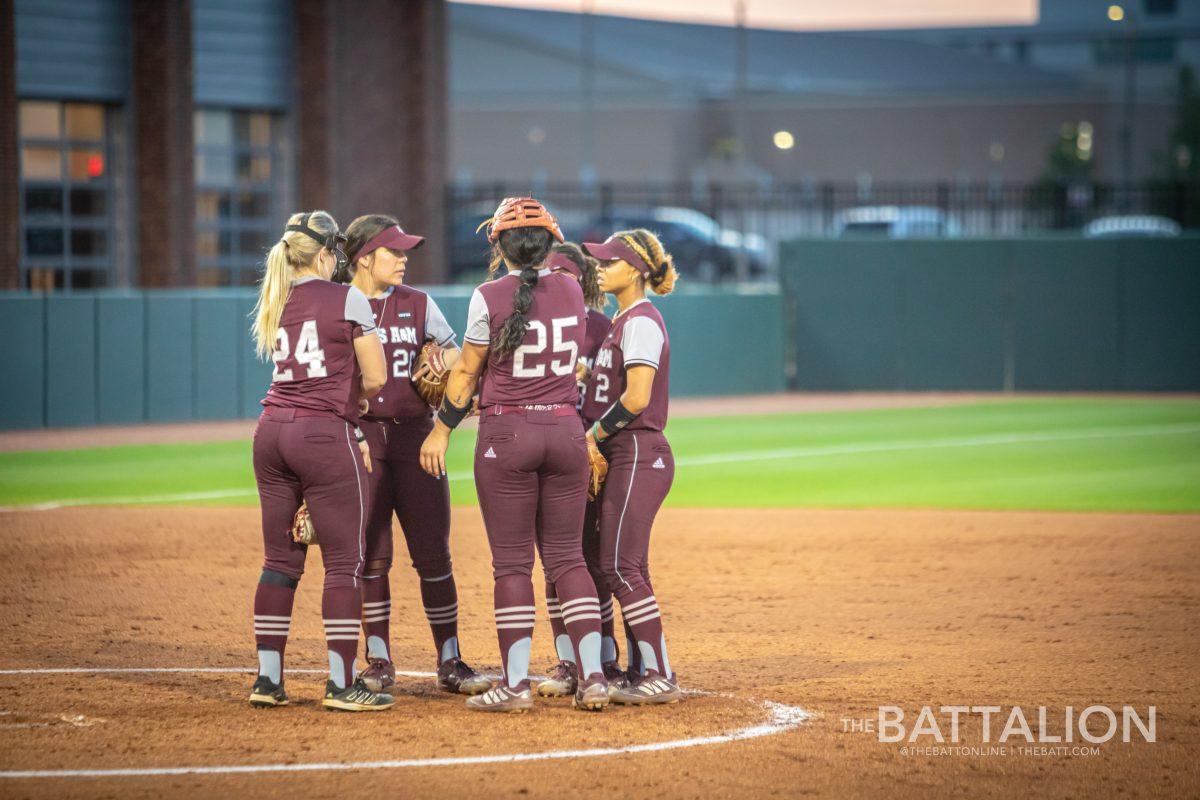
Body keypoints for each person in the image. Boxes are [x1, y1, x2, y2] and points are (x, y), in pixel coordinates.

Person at [420, 197, 609, 713]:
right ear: (551, 242)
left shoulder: (488, 295)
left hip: (508, 434)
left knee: (512, 565)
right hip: (566, 430)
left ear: (497, 245)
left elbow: (465, 374)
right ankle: (593, 677)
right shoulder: (573, 288)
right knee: (568, 559)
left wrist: (441, 430)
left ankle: (516, 684)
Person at [248, 211, 393, 712]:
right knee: (343, 564)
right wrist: (358, 400)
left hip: (271, 432)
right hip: (323, 434)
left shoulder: (277, 294)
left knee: (279, 562)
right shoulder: (347, 296)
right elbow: (374, 376)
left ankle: (267, 681)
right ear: (328, 254)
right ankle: (340, 683)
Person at [339, 214, 489, 696]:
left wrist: (447, 373)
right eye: (393, 252)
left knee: (434, 554)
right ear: (364, 258)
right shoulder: (337, 302)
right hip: (362, 442)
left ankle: (450, 658)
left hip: (416, 440)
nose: (403, 260)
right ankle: (378, 660)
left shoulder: (419, 304)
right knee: (372, 556)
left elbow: (457, 359)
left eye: (405, 252)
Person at [580, 228, 683, 704]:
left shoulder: (640, 319)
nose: (600, 268)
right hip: (629, 453)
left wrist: (593, 436)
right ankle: (646, 667)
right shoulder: (623, 319)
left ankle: (660, 673)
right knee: (628, 564)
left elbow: (637, 397)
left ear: (636, 270)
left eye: (610, 261)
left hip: (637, 450)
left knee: (619, 566)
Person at [536, 243, 625, 697]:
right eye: (552, 273)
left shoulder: (603, 328)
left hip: (588, 450)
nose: (557, 281)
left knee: (589, 561)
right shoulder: (531, 319)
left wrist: (600, 446)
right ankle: (569, 662)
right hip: (550, 448)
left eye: (566, 275)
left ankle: (605, 658)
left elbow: (614, 395)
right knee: (554, 564)